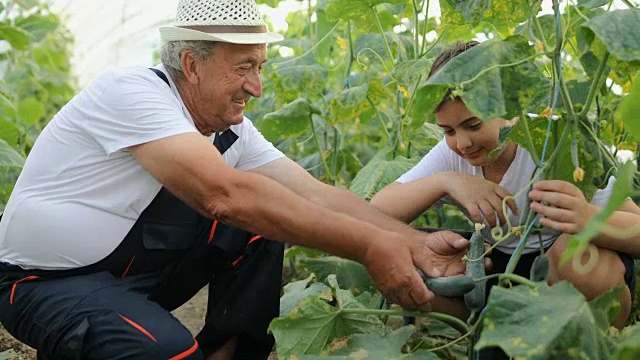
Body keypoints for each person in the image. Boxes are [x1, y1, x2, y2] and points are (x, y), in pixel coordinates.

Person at [0, 1, 473, 359]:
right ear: (191, 65)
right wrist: (369, 248)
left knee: (273, 212)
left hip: (131, 276)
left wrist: (414, 242)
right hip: (43, 283)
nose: (257, 86)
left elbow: (313, 194)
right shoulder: (131, 92)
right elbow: (221, 196)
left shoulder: (229, 131)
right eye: (243, 67)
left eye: (260, 67)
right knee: (166, 349)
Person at [371, 40, 640, 332]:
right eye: (448, 131)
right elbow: (377, 213)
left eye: (473, 125)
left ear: (512, 108)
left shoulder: (558, 141)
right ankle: (486, 332)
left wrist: (587, 218)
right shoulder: (450, 155)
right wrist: (447, 181)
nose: (462, 143)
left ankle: (601, 342)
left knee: (573, 254)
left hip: (561, 270)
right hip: (500, 269)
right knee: (404, 251)